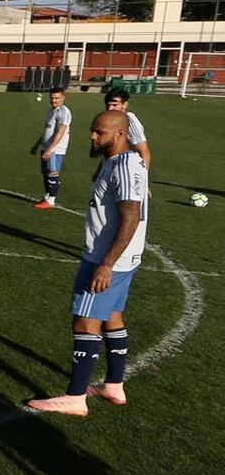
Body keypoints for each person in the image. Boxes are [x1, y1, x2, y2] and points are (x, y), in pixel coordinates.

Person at [27, 110, 147, 416]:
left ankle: (75, 397)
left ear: (120, 134)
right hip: (125, 258)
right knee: (112, 316)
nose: (92, 136)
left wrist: (106, 264)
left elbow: (130, 216)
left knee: (85, 320)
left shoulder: (123, 165)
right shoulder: (122, 161)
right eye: (93, 130)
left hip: (108, 259)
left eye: (100, 132)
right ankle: (114, 385)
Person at [29, 88, 71, 208]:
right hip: (46, 147)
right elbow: (47, 131)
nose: (54, 100)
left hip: (55, 149)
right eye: (52, 98)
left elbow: (61, 131)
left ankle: (51, 200)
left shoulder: (64, 112)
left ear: (63, 98)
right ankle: (47, 196)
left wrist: (50, 149)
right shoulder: (51, 111)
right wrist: (37, 145)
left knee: (53, 171)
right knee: (45, 172)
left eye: (57, 98)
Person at [103, 87, 152, 172]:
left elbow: (144, 152)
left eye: (115, 105)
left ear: (125, 105)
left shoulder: (130, 122)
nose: (110, 108)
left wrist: (142, 180)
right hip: (112, 168)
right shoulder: (111, 120)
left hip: (127, 169)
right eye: (108, 105)